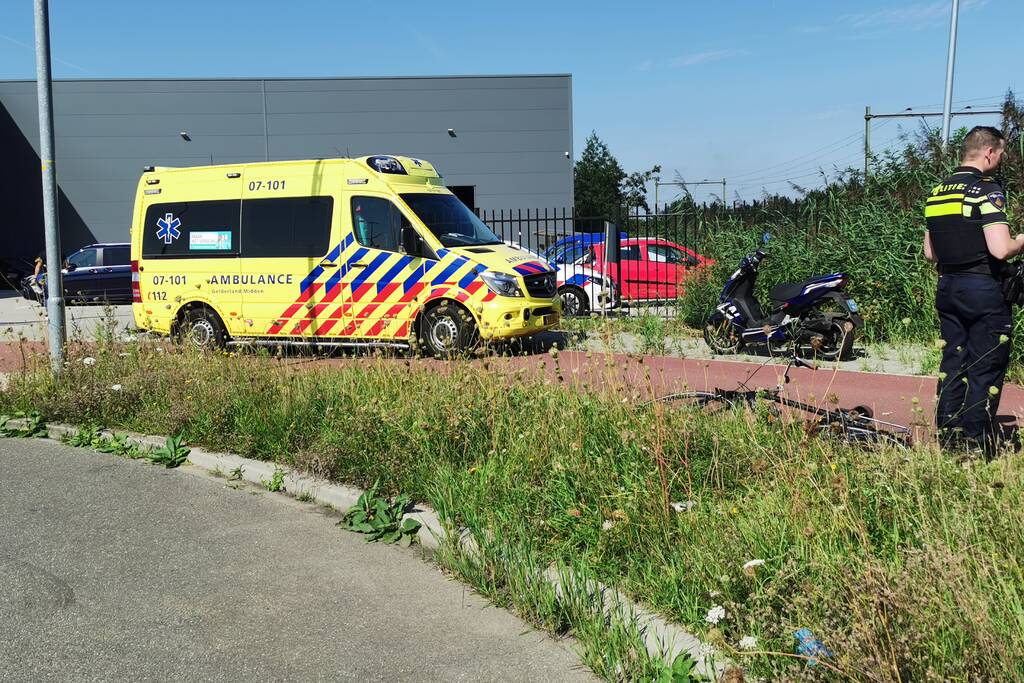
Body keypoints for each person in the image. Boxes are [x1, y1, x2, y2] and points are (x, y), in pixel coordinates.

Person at [924, 126, 1020, 454]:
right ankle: (976, 444)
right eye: (1001, 154)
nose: (1000, 159)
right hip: (982, 289)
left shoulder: (937, 192)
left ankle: (949, 438)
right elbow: (1000, 249)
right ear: (989, 153)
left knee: (954, 361)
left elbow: (930, 253)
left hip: (947, 287)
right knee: (985, 365)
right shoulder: (985, 190)